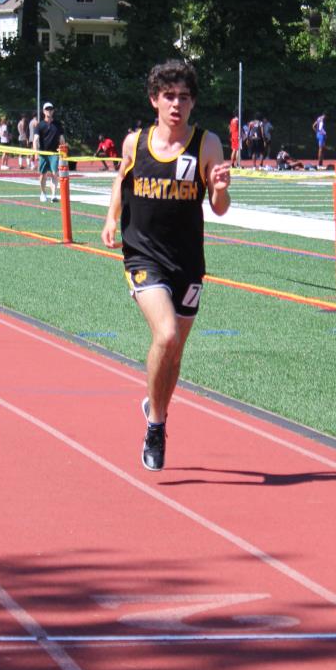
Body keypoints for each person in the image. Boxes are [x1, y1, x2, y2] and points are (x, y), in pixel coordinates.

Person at [101, 59, 231, 471]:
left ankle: (156, 407)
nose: (177, 104)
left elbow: (220, 208)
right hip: (142, 253)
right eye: (169, 96)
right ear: (154, 100)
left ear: (193, 103)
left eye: (184, 97)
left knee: (174, 354)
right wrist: (110, 218)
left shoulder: (207, 144)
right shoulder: (135, 142)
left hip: (187, 260)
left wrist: (221, 189)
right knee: (167, 333)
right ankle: (156, 427)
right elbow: (121, 180)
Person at [34, 101, 63, 203]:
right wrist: (36, 153)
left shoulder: (58, 124)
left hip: (54, 153)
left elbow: (62, 139)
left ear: (53, 111)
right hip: (43, 153)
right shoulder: (40, 125)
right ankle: (43, 193)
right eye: (47, 109)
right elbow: (36, 140)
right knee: (43, 174)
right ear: (43, 111)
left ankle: (54, 195)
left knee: (55, 173)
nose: (49, 111)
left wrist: (63, 150)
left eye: (50, 109)